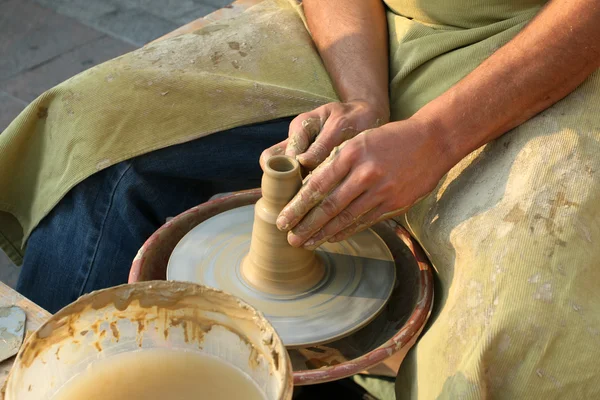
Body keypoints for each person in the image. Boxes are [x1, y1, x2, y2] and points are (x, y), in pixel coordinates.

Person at [1, 0, 599, 397]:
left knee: (513, 304)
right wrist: (363, 98)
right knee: (99, 137)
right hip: (366, 24)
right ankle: (47, 376)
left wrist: (439, 137)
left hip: (549, 44)